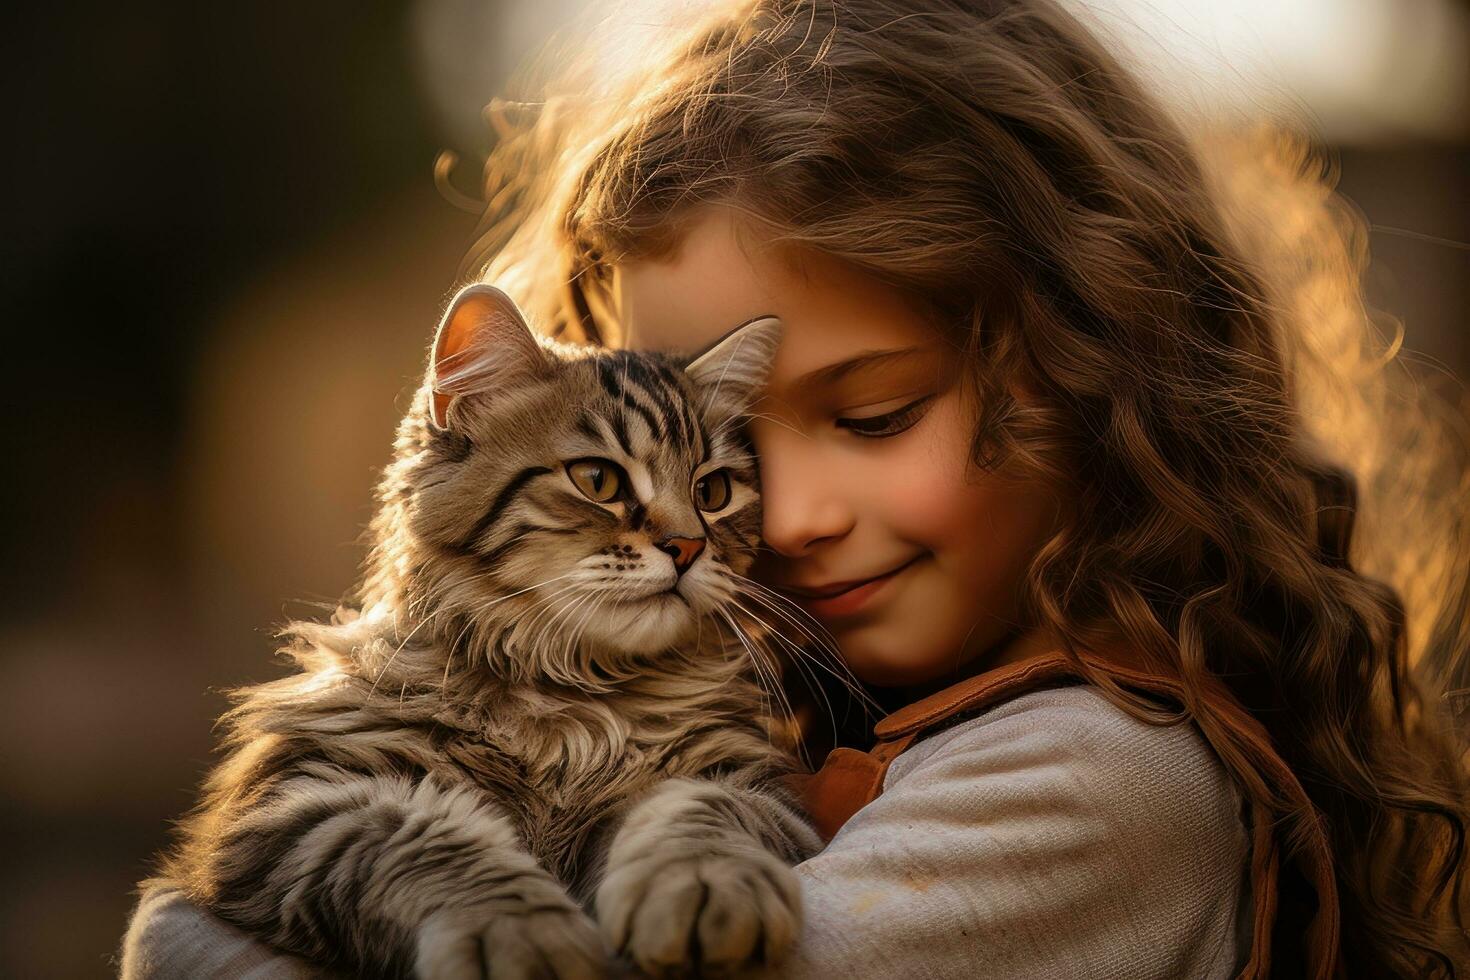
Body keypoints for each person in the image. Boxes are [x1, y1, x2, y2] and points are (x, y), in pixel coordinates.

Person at [122, 0, 1470, 976]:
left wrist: (198, 954)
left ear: (1102, 371)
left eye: (874, 416)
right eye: (731, 450)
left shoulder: (1099, 783)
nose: (787, 517)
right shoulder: (814, 679)